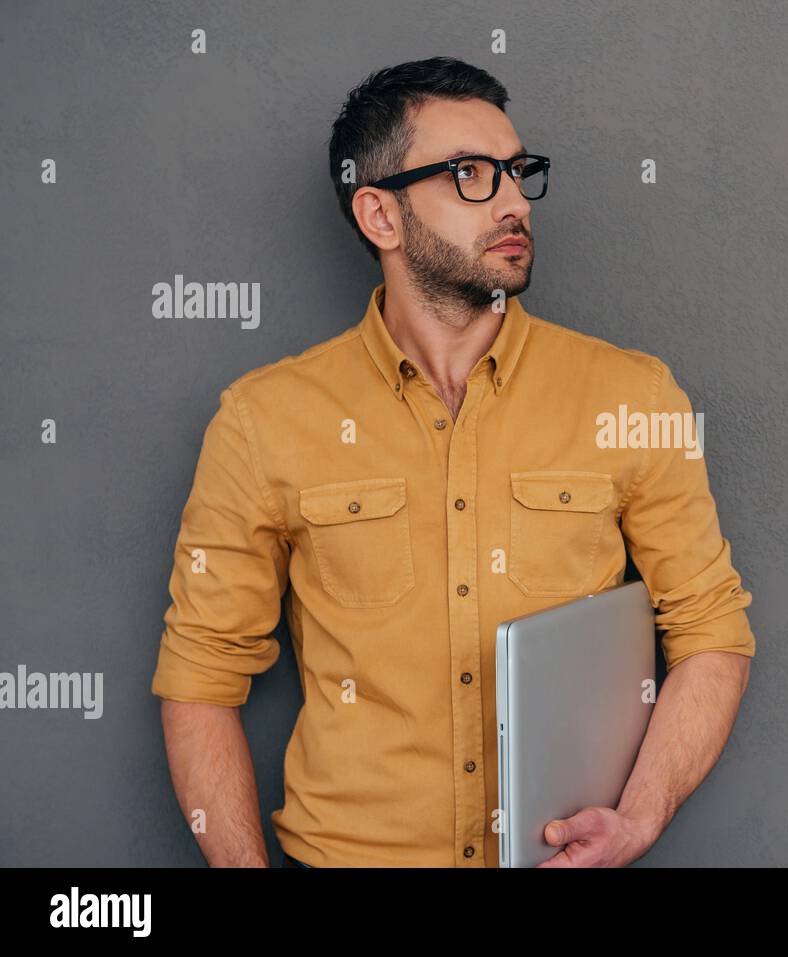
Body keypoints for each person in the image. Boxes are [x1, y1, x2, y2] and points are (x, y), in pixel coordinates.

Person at [152, 56, 756, 868]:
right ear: (381, 215)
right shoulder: (263, 421)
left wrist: (640, 817)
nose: (512, 201)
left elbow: (712, 631)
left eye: (517, 171)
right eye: (470, 173)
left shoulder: (633, 396)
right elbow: (200, 676)